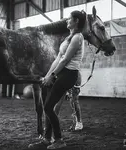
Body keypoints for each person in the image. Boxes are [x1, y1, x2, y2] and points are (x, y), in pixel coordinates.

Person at [29, 10, 86, 149]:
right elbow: (58, 59)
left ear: (76, 21)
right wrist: (47, 76)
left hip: (68, 74)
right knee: (47, 104)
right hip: (60, 72)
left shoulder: (78, 37)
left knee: (48, 107)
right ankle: (47, 139)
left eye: (69, 19)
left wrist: (53, 76)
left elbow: (66, 60)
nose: (67, 21)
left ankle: (59, 140)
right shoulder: (68, 37)